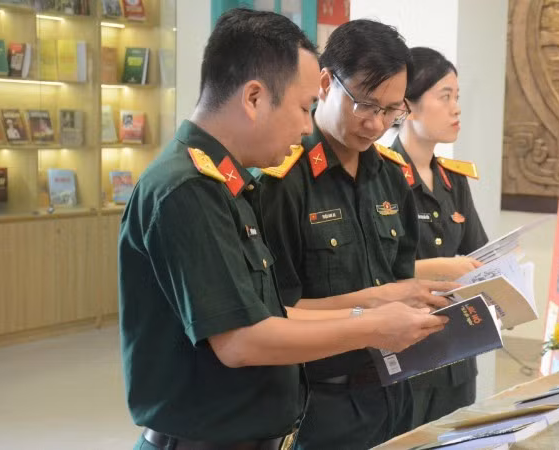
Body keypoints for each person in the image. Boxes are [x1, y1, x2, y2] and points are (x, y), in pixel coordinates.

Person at [118, 10, 447, 450]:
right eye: (303, 107)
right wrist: (371, 326)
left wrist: (374, 307)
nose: (306, 126)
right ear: (254, 98)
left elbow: (270, 313)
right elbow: (241, 341)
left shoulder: (228, 184)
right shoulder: (187, 189)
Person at [260, 20, 456, 449]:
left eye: (391, 111)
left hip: (393, 391)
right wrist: (372, 309)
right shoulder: (283, 182)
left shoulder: (390, 176)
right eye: (366, 105)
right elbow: (273, 312)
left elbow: (401, 280)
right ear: (327, 82)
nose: (375, 124)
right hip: (318, 401)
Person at [390, 47, 490, 426]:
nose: (456, 109)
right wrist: (442, 268)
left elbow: (479, 253)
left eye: (457, 97)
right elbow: (377, 272)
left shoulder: (455, 179)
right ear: (409, 106)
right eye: (444, 97)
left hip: (460, 350)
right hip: (409, 355)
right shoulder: (382, 176)